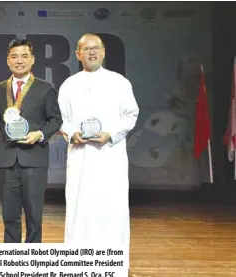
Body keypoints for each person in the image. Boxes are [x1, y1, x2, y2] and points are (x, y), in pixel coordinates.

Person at [58, 34, 139, 275]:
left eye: (96, 48)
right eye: (86, 49)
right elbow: (61, 118)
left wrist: (110, 134)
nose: (92, 52)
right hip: (80, 157)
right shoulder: (69, 84)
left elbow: (130, 115)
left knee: (112, 208)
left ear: (103, 52)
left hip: (109, 157)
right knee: (79, 208)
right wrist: (72, 133)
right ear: (77, 54)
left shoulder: (119, 82)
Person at [0, 38, 62, 243]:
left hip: (34, 160)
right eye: (15, 56)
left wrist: (40, 134)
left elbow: (56, 119)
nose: (20, 61)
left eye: (24, 56)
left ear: (32, 60)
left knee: (34, 216)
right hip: (7, 160)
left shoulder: (45, 88)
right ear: (8, 60)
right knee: (10, 216)